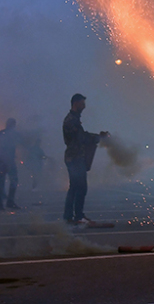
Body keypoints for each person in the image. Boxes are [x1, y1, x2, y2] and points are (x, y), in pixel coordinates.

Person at [63, 93, 109, 224]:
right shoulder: (71, 120)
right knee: (81, 187)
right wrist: (98, 138)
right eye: (82, 103)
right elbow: (81, 138)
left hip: (74, 158)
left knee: (74, 187)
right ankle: (77, 216)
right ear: (76, 103)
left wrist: (98, 137)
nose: (84, 106)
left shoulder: (74, 119)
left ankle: (69, 216)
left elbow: (82, 135)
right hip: (75, 158)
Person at [0, 118, 21, 210]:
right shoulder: (8, 134)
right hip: (4, 161)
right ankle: (7, 202)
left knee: (4, 182)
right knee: (9, 181)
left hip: (3, 161)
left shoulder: (1, 134)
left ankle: (2, 203)